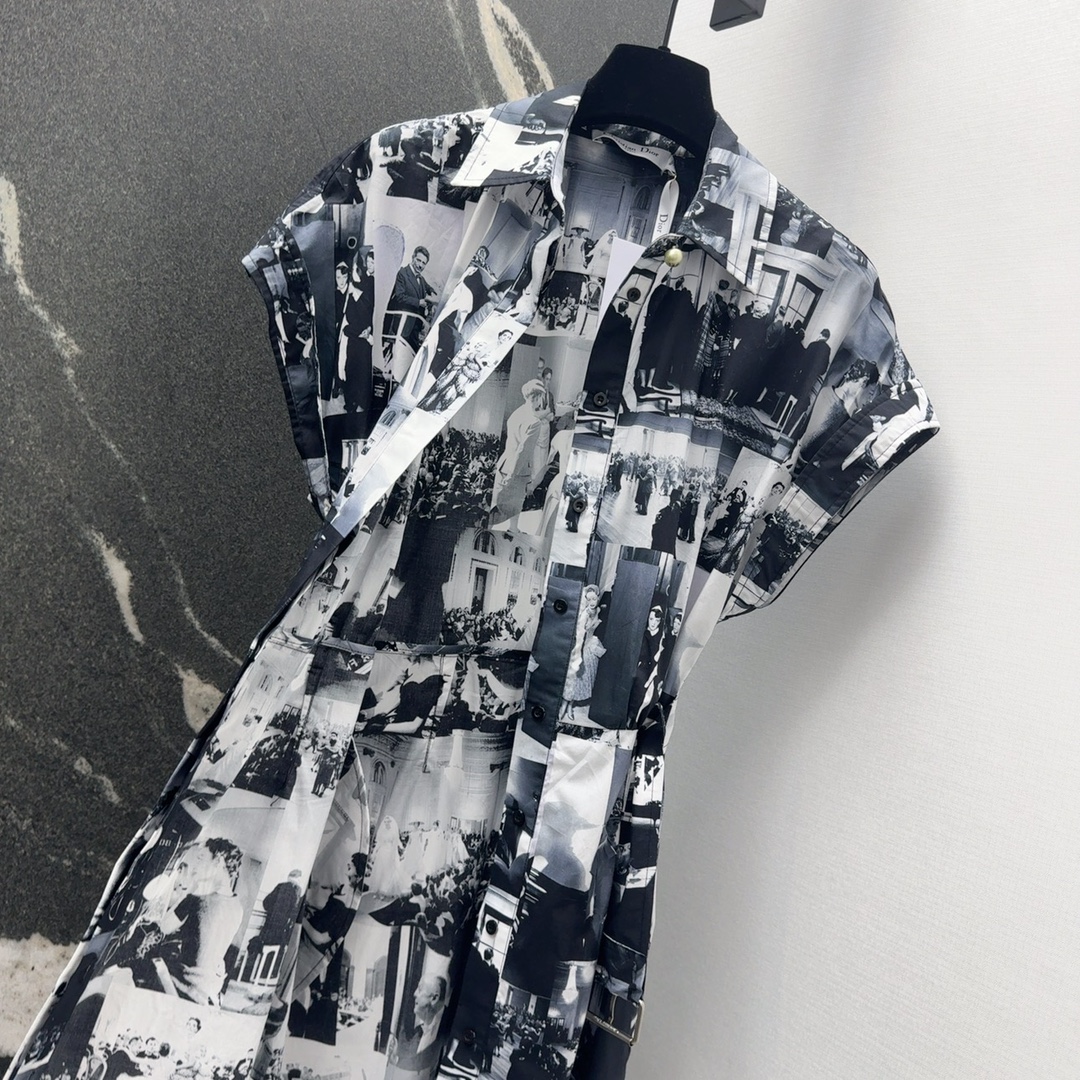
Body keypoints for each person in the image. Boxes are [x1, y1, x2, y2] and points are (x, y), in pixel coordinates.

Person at [491, 380, 552, 523]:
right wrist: (511, 475)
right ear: (538, 397)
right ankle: (511, 529)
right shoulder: (534, 422)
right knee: (511, 510)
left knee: (498, 506)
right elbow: (523, 451)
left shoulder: (516, 414)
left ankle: (512, 528)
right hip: (518, 471)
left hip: (504, 464)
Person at [390, 246, 438, 351]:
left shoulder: (421, 278)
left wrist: (433, 294)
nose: (420, 265)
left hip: (416, 326)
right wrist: (419, 302)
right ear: (413, 258)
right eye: (418, 260)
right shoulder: (402, 273)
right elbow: (399, 297)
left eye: (424, 263)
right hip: (403, 325)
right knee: (398, 353)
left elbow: (429, 289)